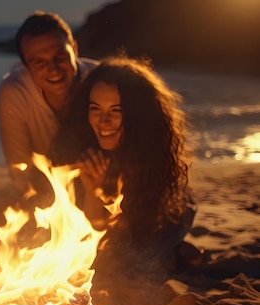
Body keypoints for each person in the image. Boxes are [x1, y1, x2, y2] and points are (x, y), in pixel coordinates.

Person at [58, 55, 197, 271]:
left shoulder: (150, 156)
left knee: (138, 259)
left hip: (164, 217)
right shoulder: (79, 149)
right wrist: (92, 191)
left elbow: (137, 234)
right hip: (111, 235)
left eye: (117, 110)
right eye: (95, 108)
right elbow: (89, 235)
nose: (104, 121)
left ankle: (172, 253)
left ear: (137, 115)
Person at [0, 11, 98, 208]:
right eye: (39, 62)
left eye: (59, 56)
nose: (53, 68)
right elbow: (20, 171)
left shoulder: (100, 81)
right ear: (26, 67)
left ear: (74, 49)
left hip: (103, 184)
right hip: (49, 190)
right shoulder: (15, 91)